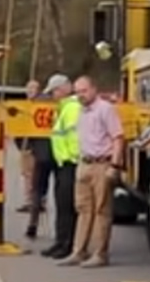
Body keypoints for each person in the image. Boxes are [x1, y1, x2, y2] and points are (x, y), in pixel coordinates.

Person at [59, 75, 125, 268]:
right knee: (83, 210)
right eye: (78, 92)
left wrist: (114, 166)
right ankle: (78, 251)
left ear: (94, 89)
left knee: (101, 210)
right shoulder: (80, 111)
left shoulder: (105, 109)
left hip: (101, 164)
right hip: (84, 163)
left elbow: (118, 138)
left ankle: (100, 254)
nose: (81, 95)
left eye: (84, 91)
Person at [41, 74, 81, 259]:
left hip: (71, 163)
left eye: (55, 91)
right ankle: (60, 241)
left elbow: (75, 138)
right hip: (63, 163)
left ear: (65, 88)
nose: (53, 95)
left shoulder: (72, 108)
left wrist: (74, 158)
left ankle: (67, 244)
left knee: (67, 207)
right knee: (61, 205)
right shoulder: (64, 108)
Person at [18, 79, 54, 239]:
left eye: (33, 88)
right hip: (44, 151)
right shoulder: (29, 104)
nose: (30, 91)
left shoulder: (36, 106)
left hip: (41, 151)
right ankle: (33, 220)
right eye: (28, 88)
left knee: (37, 188)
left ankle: (33, 224)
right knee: (35, 186)